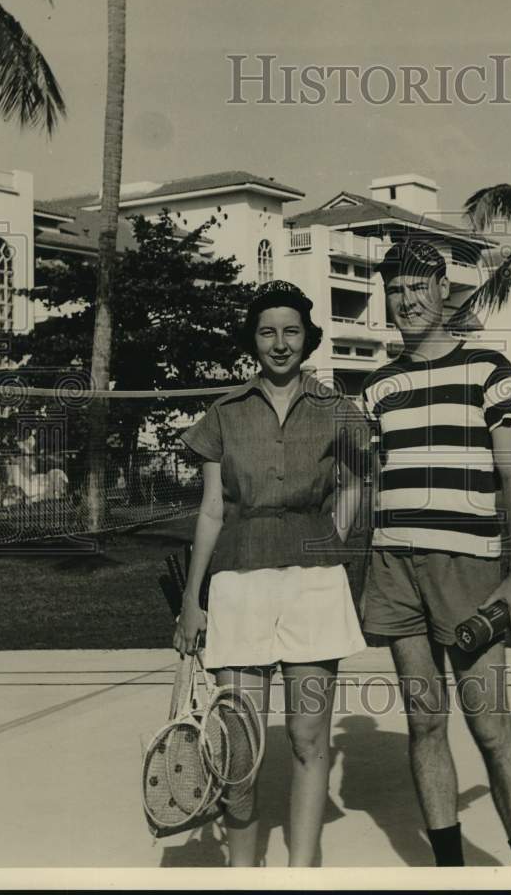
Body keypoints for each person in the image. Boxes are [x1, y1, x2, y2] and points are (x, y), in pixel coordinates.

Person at [360, 240, 511, 867]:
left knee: (491, 729)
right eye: (395, 289)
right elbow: (365, 483)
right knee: (425, 724)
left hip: (465, 566)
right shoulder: (378, 387)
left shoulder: (489, 370)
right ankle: (450, 875)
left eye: (417, 286)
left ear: (442, 288)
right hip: (392, 565)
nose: (407, 300)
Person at [174, 280, 367, 867]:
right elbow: (211, 508)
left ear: (308, 338)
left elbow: (357, 482)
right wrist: (191, 598)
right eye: (267, 332)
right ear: (252, 341)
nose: (280, 343)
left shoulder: (339, 410)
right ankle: (242, 870)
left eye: (291, 331)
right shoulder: (225, 413)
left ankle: (301, 871)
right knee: (240, 747)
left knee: (309, 740)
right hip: (238, 583)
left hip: (314, 584)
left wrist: (327, 536)